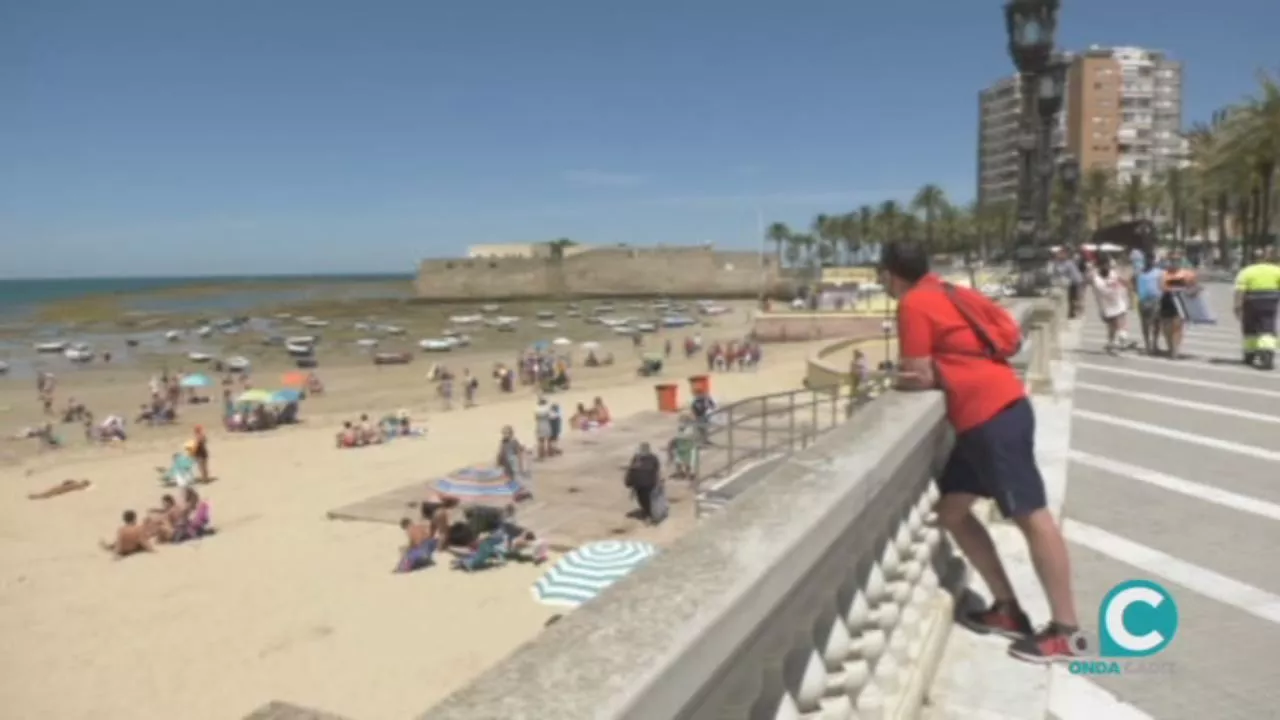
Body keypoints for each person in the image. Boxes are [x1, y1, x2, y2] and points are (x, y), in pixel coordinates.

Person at [881, 240, 1078, 663]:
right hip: (998, 408)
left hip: (989, 419)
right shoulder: (953, 291)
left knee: (1033, 519)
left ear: (891, 275)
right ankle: (1007, 610)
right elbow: (1005, 333)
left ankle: (1065, 631)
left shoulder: (913, 303)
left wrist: (898, 379)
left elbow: (917, 373)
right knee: (951, 511)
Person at [1234, 248, 1280, 369]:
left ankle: (1250, 353)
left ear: (1252, 259)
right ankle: (1267, 353)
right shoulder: (1276, 270)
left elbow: (1240, 290)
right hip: (1270, 302)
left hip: (1251, 302)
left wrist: (1237, 306)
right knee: (1268, 326)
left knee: (1249, 327)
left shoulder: (1246, 271)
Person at [1087, 255, 1134, 354]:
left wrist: (1127, 285)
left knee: (1121, 320)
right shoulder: (1096, 278)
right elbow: (1099, 288)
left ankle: (1122, 339)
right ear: (1100, 266)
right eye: (1104, 265)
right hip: (1106, 306)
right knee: (1112, 326)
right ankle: (1112, 342)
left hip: (1118, 302)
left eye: (1108, 264)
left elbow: (1122, 281)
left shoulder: (1113, 273)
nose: (1107, 267)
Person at [1160, 251, 1197, 359]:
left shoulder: (1187, 274)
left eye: (1177, 260)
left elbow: (1194, 287)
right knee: (1166, 328)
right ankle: (1170, 347)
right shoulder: (1164, 274)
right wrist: (1174, 287)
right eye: (1172, 260)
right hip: (1166, 301)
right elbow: (1162, 287)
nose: (1174, 263)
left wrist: (1191, 292)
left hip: (1180, 302)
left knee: (1177, 327)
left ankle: (1175, 350)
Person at [1134, 253, 1167, 356]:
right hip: (1143, 301)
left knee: (1157, 324)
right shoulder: (1139, 273)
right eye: (1147, 260)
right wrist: (1137, 291)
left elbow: (1163, 285)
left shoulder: (1160, 272)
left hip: (1156, 300)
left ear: (1154, 261)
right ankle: (1148, 345)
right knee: (1145, 324)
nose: (1148, 262)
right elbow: (1132, 282)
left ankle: (1154, 344)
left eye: (1150, 260)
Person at [624, 442, 662, 523]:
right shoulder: (642, 458)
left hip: (645, 483)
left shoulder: (647, 458)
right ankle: (648, 513)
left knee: (645, 499)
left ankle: (649, 513)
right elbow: (631, 470)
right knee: (645, 498)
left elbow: (631, 470)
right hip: (643, 483)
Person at [1053, 248, 1084, 319]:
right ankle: (1073, 312)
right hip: (1072, 282)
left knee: (1074, 298)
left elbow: (1062, 272)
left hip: (1075, 282)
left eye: (1060, 254)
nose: (1058, 256)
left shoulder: (1068, 263)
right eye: (1058, 255)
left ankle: (1076, 312)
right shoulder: (1061, 263)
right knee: (1072, 298)